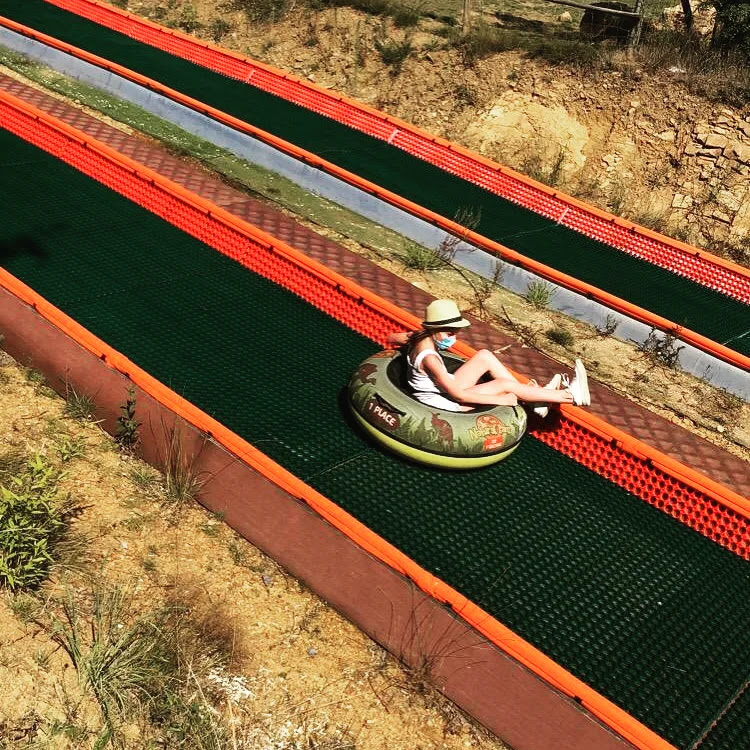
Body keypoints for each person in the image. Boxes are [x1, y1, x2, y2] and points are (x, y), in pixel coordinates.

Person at [387, 299, 590, 415]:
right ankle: (570, 397)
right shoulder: (430, 359)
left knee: (484, 355)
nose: (453, 339)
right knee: (505, 385)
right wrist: (503, 400)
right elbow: (459, 396)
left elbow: (391, 337)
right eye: (450, 333)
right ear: (435, 329)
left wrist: (409, 338)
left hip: (443, 389)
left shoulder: (419, 336)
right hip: (444, 402)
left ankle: (535, 399)